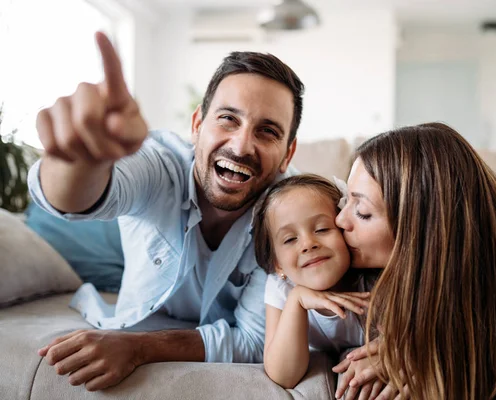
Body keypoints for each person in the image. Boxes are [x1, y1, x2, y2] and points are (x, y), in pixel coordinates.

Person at [27, 31, 304, 391]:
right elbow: (77, 199)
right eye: (227, 119)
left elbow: (253, 339)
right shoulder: (159, 165)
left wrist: (141, 348)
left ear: (288, 153)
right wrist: (80, 162)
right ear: (197, 125)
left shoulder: (294, 212)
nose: (241, 146)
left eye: (267, 131)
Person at [333, 123, 496, 399]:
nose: (340, 220)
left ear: (422, 229)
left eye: (362, 211)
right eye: (346, 202)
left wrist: (430, 355)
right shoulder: (364, 263)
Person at [252, 174, 369, 389]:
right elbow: (284, 375)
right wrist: (296, 300)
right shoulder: (281, 287)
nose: (308, 244)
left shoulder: (370, 278)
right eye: (290, 239)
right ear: (278, 264)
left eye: (322, 229)